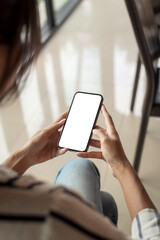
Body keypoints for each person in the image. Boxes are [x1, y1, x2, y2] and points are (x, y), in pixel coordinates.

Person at [0, 0, 159, 239]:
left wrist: (23, 157)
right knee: (88, 177)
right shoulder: (55, 214)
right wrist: (122, 167)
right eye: (20, 39)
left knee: (93, 185)